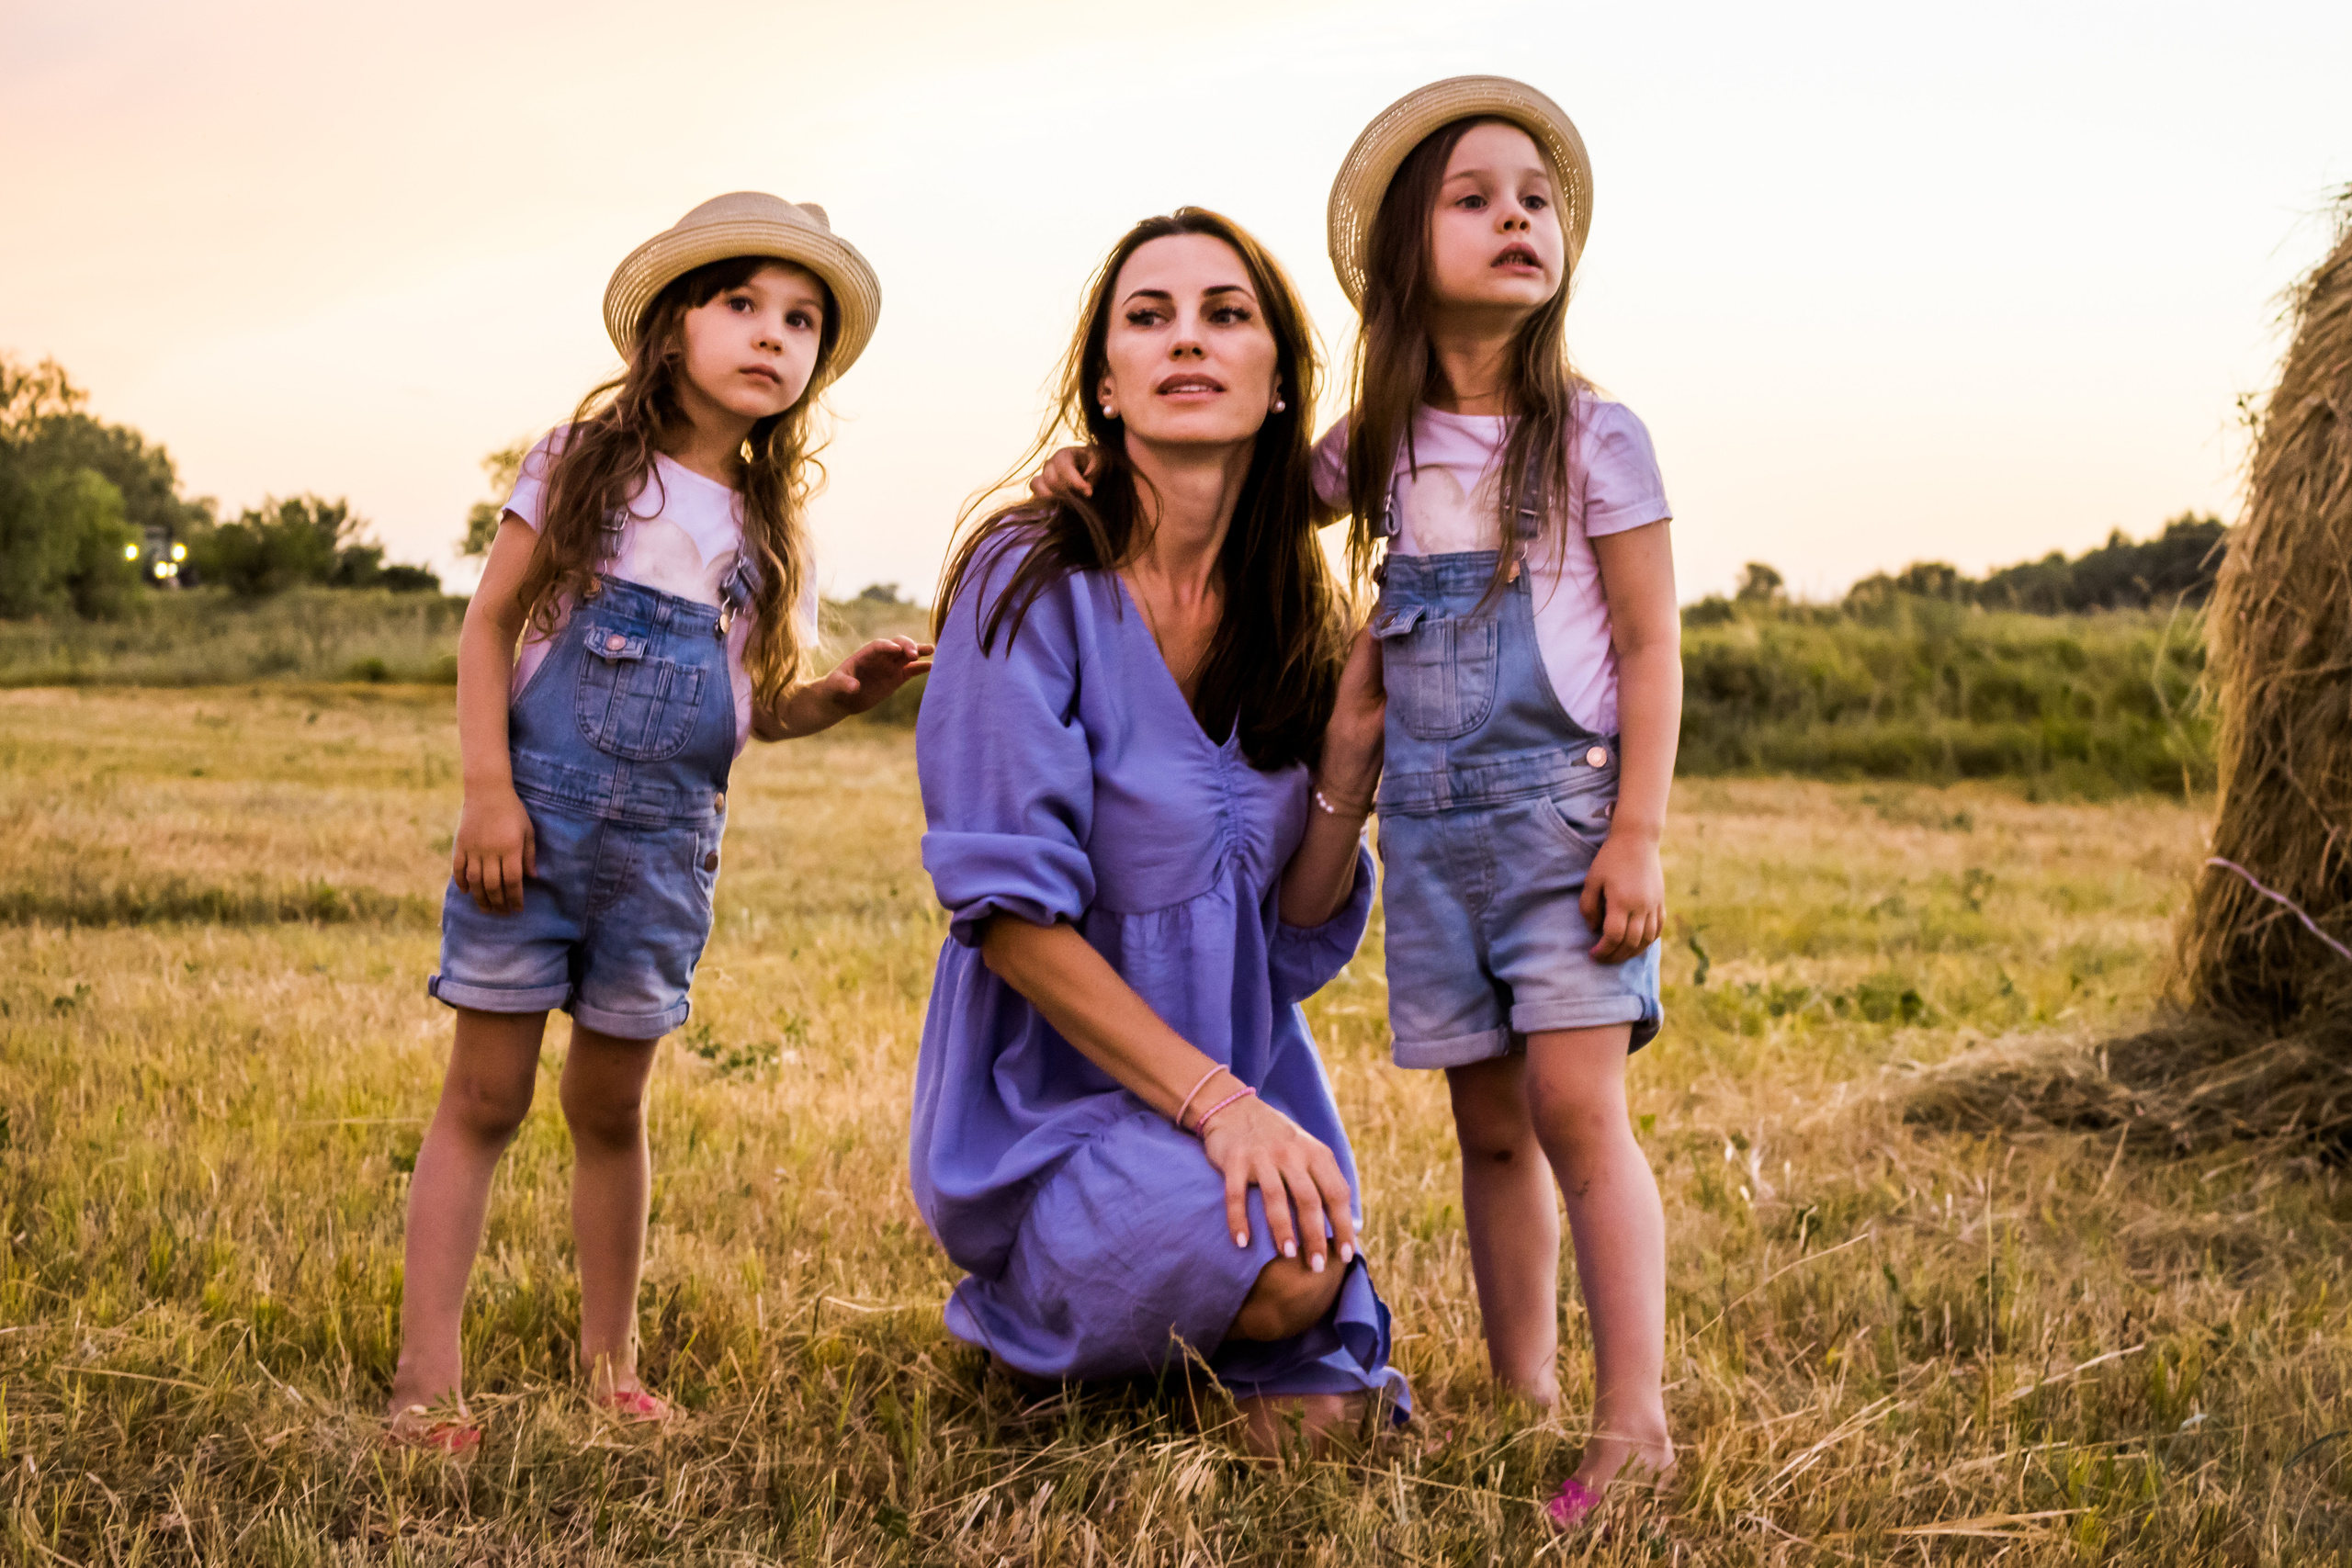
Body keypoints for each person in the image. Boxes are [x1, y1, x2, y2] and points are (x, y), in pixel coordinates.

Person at [388, 193, 930, 1450]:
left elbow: (746, 711)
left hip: (663, 858)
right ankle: (426, 1384)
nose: (771, 336)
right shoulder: (583, 464)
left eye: (800, 321)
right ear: (674, 323)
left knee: (610, 1109)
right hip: (529, 835)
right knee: (485, 1097)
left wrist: (834, 698)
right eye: (740, 303)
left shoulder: (763, 526)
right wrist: (487, 791)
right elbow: (488, 628)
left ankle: (611, 1366)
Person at [910, 207, 1408, 1456]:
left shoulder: (1293, 613)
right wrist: (1221, 1107)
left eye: (1225, 313)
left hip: (1226, 1101)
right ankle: (1042, 1310)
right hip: (1056, 1122)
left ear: (1281, 376)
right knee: (1293, 1281)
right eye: (1151, 316)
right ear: (1106, 383)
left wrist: (1345, 768)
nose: (1188, 338)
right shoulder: (1024, 577)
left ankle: (1175, 1336)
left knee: (1325, 1392)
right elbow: (1011, 922)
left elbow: (1285, 944)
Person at [1327, 77, 1679, 1526]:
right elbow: (1222, 495)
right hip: (1430, 834)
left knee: (1575, 1106)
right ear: (1410, 254)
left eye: (1535, 198)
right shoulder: (1375, 444)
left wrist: (1639, 831)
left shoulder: (1597, 437)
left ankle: (1633, 1421)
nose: (1517, 216)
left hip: (1563, 821)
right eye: (1474, 198)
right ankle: (1522, 1389)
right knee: (1486, 1125)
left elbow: (1654, 645)